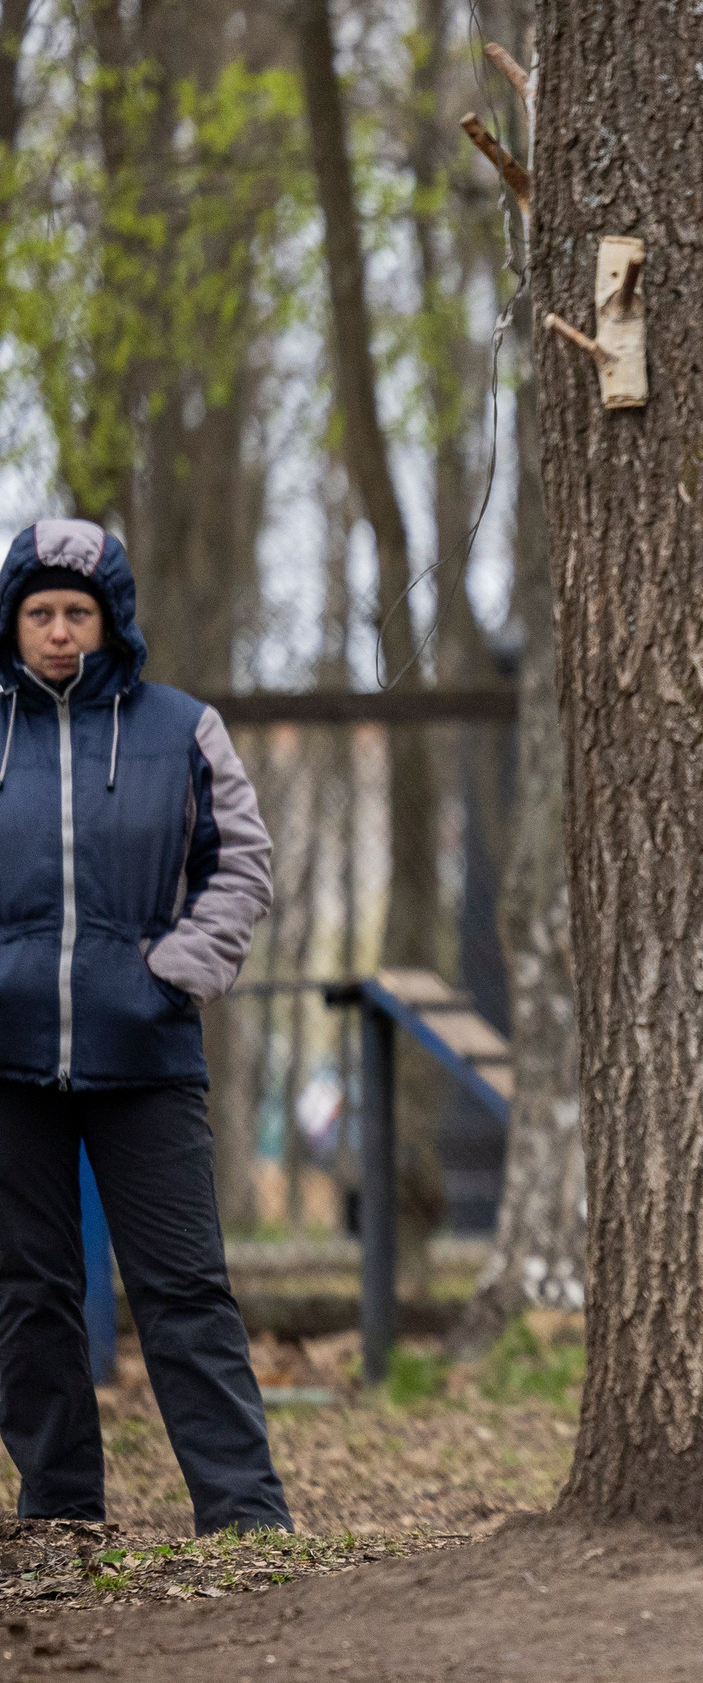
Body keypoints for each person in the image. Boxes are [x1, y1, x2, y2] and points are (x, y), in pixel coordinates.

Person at [0, 519, 290, 1534]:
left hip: (148, 1055)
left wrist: (169, 974)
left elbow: (241, 863)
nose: (60, 632)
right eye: (40, 613)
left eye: (77, 612)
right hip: (8, 1064)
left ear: (111, 618)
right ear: (13, 623)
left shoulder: (182, 729)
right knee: (26, 1295)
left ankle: (245, 1516)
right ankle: (60, 1513)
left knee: (185, 1289)